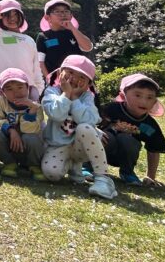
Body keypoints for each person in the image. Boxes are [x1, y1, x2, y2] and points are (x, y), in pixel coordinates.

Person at [41, 55, 118, 199]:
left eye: (81, 76)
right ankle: (72, 166)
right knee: (52, 173)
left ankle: (103, 179)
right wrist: (66, 94)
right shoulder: (51, 92)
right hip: (58, 145)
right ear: (60, 73)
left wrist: (75, 98)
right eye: (70, 72)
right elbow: (56, 115)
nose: (74, 79)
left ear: (89, 83)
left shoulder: (88, 97)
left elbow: (89, 120)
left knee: (85, 128)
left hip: (80, 145)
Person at [99, 73, 165, 186]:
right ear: (123, 96)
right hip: (100, 150)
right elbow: (91, 125)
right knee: (104, 136)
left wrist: (150, 177)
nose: (143, 101)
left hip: (124, 156)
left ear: (155, 102)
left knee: (127, 139)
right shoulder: (111, 109)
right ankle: (89, 166)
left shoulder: (149, 125)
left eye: (149, 97)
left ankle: (127, 172)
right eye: (138, 95)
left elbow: (154, 150)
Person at [0, 0, 44, 100]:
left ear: (22, 16)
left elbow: (36, 67)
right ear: (0, 18)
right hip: (3, 86)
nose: (12, 18)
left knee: (30, 115)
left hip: (28, 86)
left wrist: (39, 88)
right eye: (7, 15)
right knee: (6, 115)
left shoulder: (29, 40)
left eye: (16, 14)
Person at [0, 68, 45, 180]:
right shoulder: (1, 102)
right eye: (9, 89)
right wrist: (11, 130)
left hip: (28, 148)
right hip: (10, 146)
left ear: (28, 88)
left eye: (20, 87)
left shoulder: (35, 105)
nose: (16, 92)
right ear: (2, 93)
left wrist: (32, 110)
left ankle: (33, 165)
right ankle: (10, 163)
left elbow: (31, 130)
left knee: (31, 138)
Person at [36, 0, 93, 84]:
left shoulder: (74, 32)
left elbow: (88, 47)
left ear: (71, 16)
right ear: (47, 17)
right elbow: (40, 62)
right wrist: (49, 79)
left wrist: (73, 28)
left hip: (78, 80)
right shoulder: (43, 37)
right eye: (57, 12)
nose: (62, 14)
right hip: (56, 81)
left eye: (66, 11)